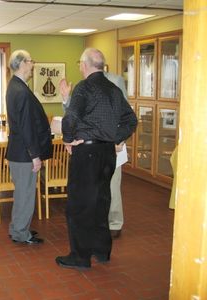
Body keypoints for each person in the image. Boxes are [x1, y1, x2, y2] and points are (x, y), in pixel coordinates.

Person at [56, 48, 137, 269]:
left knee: (79, 206)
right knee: (102, 203)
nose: (80, 67)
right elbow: (131, 120)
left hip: (87, 154)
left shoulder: (84, 87)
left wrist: (68, 140)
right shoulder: (113, 89)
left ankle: (80, 257)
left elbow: (70, 118)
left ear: (85, 64)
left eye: (80, 63)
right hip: (107, 154)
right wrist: (116, 138)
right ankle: (102, 251)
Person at [60, 72, 129, 239]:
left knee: (111, 186)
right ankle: (96, 222)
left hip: (113, 143)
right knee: (94, 188)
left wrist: (119, 139)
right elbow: (76, 115)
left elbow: (125, 114)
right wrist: (66, 98)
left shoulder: (115, 82)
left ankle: (114, 223)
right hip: (93, 147)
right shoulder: (84, 85)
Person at [6, 49, 53, 244]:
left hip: (19, 152)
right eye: (31, 61)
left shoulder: (15, 86)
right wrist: (35, 155)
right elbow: (27, 126)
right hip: (25, 154)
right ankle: (20, 233)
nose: (33, 65)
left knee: (22, 193)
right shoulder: (21, 90)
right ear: (22, 63)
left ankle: (18, 228)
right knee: (25, 195)